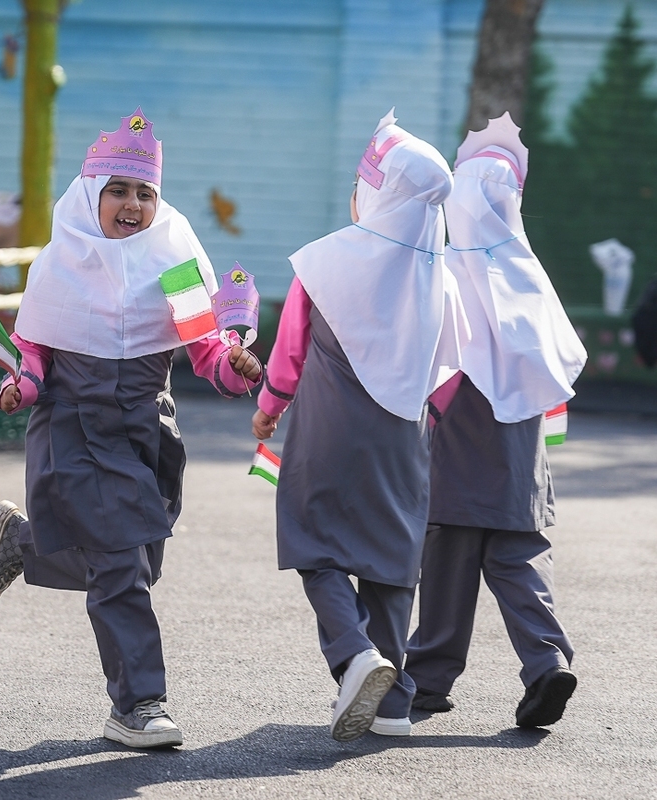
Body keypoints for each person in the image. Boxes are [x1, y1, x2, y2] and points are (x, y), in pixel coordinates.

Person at [0, 109, 263, 750]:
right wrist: (20, 386)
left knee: (133, 562)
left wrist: (239, 371)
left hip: (146, 430)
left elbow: (210, 353)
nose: (132, 205)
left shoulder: (178, 263)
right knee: (122, 565)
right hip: (75, 426)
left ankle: (21, 543)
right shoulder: (58, 263)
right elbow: (34, 353)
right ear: (91, 195)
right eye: (119, 191)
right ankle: (138, 705)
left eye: (145, 193)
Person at [252, 110, 467, 742]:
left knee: (312, 535)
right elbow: (449, 374)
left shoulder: (325, 262)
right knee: (391, 558)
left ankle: (353, 654)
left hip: (326, 430)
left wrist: (268, 406)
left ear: (377, 193)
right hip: (404, 436)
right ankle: (395, 701)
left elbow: (290, 349)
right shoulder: (439, 276)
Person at [405, 113, 587, 728]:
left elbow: (428, 354)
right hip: (522, 446)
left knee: (449, 556)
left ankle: (427, 678)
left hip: (458, 437)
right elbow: (563, 359)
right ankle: (546, 661)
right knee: (519, 554)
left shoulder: (447, 267)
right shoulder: (526, 270)